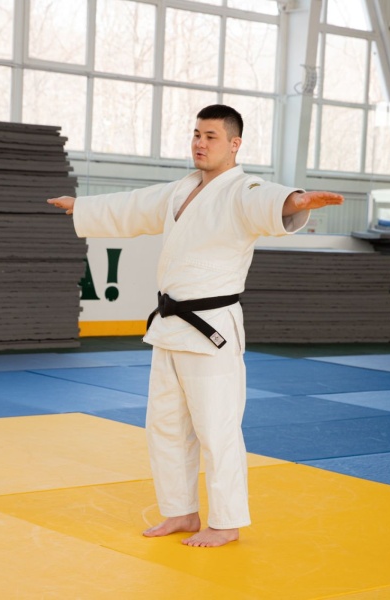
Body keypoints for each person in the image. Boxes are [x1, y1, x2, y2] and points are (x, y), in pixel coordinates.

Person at [47, 104, 343, 547]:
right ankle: (181, 511)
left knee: (216, 430)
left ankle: (226, 521)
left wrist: (293, 201)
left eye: (211, 136)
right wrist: (82, 208)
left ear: (234, 144)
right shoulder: (182, 189)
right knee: (165, 425)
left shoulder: (243, 190)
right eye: (196, 135)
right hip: (170, 326)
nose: (200, 144)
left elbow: (264, 200)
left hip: (210, 330)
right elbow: (134, 205)